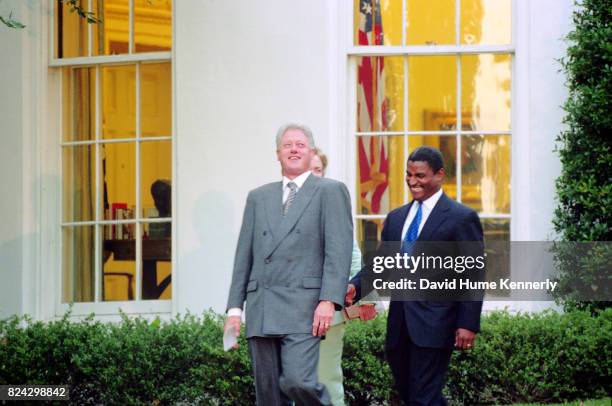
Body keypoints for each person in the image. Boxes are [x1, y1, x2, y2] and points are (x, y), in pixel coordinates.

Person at [225, 124, 353, 406]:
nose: (293, 149)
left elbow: (338, 251)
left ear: (310, 152)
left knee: (299, 381)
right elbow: (243, 255)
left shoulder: (330, 191)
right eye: (287, 145)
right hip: (263, 306)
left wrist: (328, 300)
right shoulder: (258, 196)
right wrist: (235, 308)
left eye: (300, 145)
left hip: (305, 307)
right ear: (277, 154)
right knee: (268, 397)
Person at [346, 146, 484, 405]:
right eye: (408, 175)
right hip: (399, 326)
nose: (412, 181)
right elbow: (382, 264)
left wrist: (468, 323)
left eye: (420, 176)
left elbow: (472, 272)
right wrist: (355, 287)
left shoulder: (461, 217)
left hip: (436, 323)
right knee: (412, 396)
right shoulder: (397, 218)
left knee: (423, 396)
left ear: (439, 175)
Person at [311, 148, 377, 406]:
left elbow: (351, 255)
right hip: (291, 314)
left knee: (327, 382)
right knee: (294, 384)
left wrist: (364, 300)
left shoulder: (333, 206)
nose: (313, 175)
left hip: (330, 315)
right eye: (309, 169)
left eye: (318, 170)